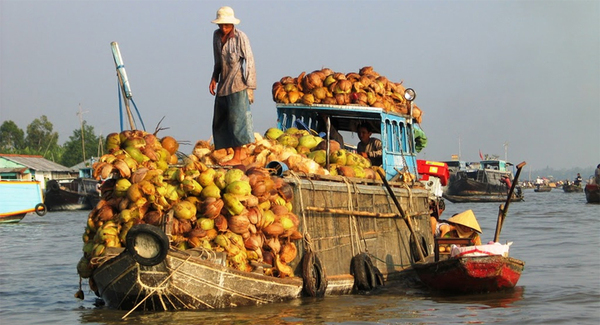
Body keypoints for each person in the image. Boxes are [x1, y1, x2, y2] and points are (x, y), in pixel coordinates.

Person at [209, 6, 256, 166]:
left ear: (232, 24)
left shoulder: (241, 37)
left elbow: (249, 61)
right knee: (221, 120)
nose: (223, 28)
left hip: (237, 85)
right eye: (221, 25)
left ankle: (237, 156)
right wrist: (214, 78)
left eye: (227, 25)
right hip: (223, 84)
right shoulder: (216, 36)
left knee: (237, 120)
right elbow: (217, 60)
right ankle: (236, 153)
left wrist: (250, 87)